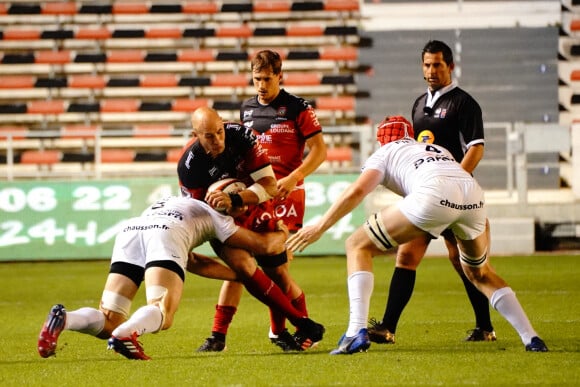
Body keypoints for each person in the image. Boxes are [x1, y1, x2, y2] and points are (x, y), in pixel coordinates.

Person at [286, 121, 548, 354]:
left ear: (382, 140)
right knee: (481, 273)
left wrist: (320, 226)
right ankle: (532, 338)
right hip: (472, 195)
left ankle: (356, 332)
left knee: (357, 245)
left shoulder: (385, 152)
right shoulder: (436, 150)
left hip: (434, 196)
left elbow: (357, 191)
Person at [37, 195, 290, 360]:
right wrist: (282, 235)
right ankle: (126, 334)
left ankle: (65, 318)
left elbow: (193, 260)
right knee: (162, 311)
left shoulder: (178, 201)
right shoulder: (219, 217)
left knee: (109, 319)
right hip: (164, 234)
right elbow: (262, 245)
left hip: (131, 230)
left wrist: (238, 276)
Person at [196, 49, 328, 352]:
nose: (261, 85)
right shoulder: (246, 109)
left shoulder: (298, 108)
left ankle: (288, 329)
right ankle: (218, 335)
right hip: (254, 195)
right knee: (238, 261)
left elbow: (320, 151)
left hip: (286, 196)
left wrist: (294, 177)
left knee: (277, 269)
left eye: (267, 79)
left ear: (280, 76)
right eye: (257, 79)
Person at [367, 39, 496, 345]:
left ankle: (485, 327)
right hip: (427, 196)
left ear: (450, 66)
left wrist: (454, 183)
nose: (431, 70)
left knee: (463, 261)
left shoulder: (464, 103)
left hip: (453, 198)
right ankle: (387, 327)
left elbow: (476, 149)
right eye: (426, 64)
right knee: (407, 256)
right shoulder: (418, 104)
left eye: (437, 64)